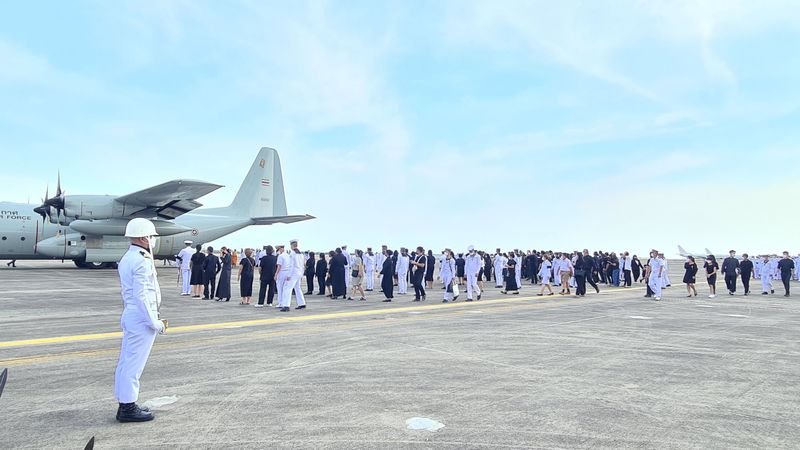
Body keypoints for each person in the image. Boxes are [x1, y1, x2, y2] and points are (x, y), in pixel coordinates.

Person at [114, 218, 166, 423]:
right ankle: (127, 408)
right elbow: (142, 294)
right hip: (141, 316)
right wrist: (153, 321)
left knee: (127, 361)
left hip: (133, 314)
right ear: (144, 237)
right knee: (134, 364)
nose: (153, 240)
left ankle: (126, 402)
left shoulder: (129, 257)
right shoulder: (142, 260)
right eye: (151, 236)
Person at [278, 239, 307, 311]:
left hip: (294, 273)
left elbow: (292, 266)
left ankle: (286, 305)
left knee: (287, 288)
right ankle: (302, 303)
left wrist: (289, 275)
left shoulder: (292, 254)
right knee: (297, 288)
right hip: (299, 273)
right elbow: (303, 265)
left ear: (292, 245)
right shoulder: (301, 254)